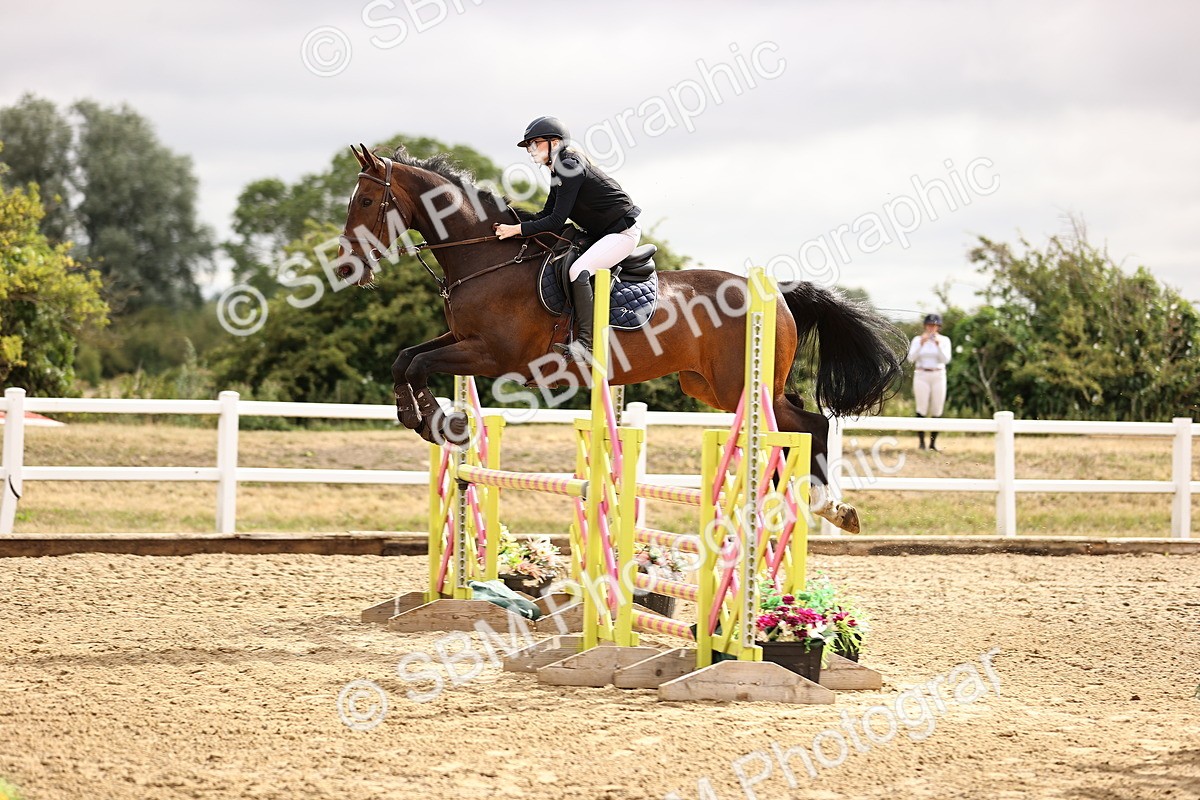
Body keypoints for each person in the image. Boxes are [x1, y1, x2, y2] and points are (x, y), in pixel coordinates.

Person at [494, 116, 642, 363]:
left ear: (555, 142)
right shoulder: (557, 170)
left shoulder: (569, 165)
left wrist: (516, 229)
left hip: (621, 234)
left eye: (535, 143)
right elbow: (546, 215)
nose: (530, 150)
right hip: (600, 234)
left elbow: (554, 221)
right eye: (529, 145)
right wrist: (511, 219)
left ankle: (587, 343)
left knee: (578, 270)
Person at [906, 312, 952, 451]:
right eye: (930, 325)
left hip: (938, 374)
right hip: (922, 374)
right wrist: (921, 343)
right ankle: (921, 442)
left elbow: (946, 359)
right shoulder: (917, 340)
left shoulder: (944, 340)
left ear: (938, 327)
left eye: (935, 325)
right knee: (921, 407)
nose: (932, 328)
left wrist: (938, 346)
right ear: (926, 326)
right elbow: (911, 359)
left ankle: (933, 443)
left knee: (937, 408)